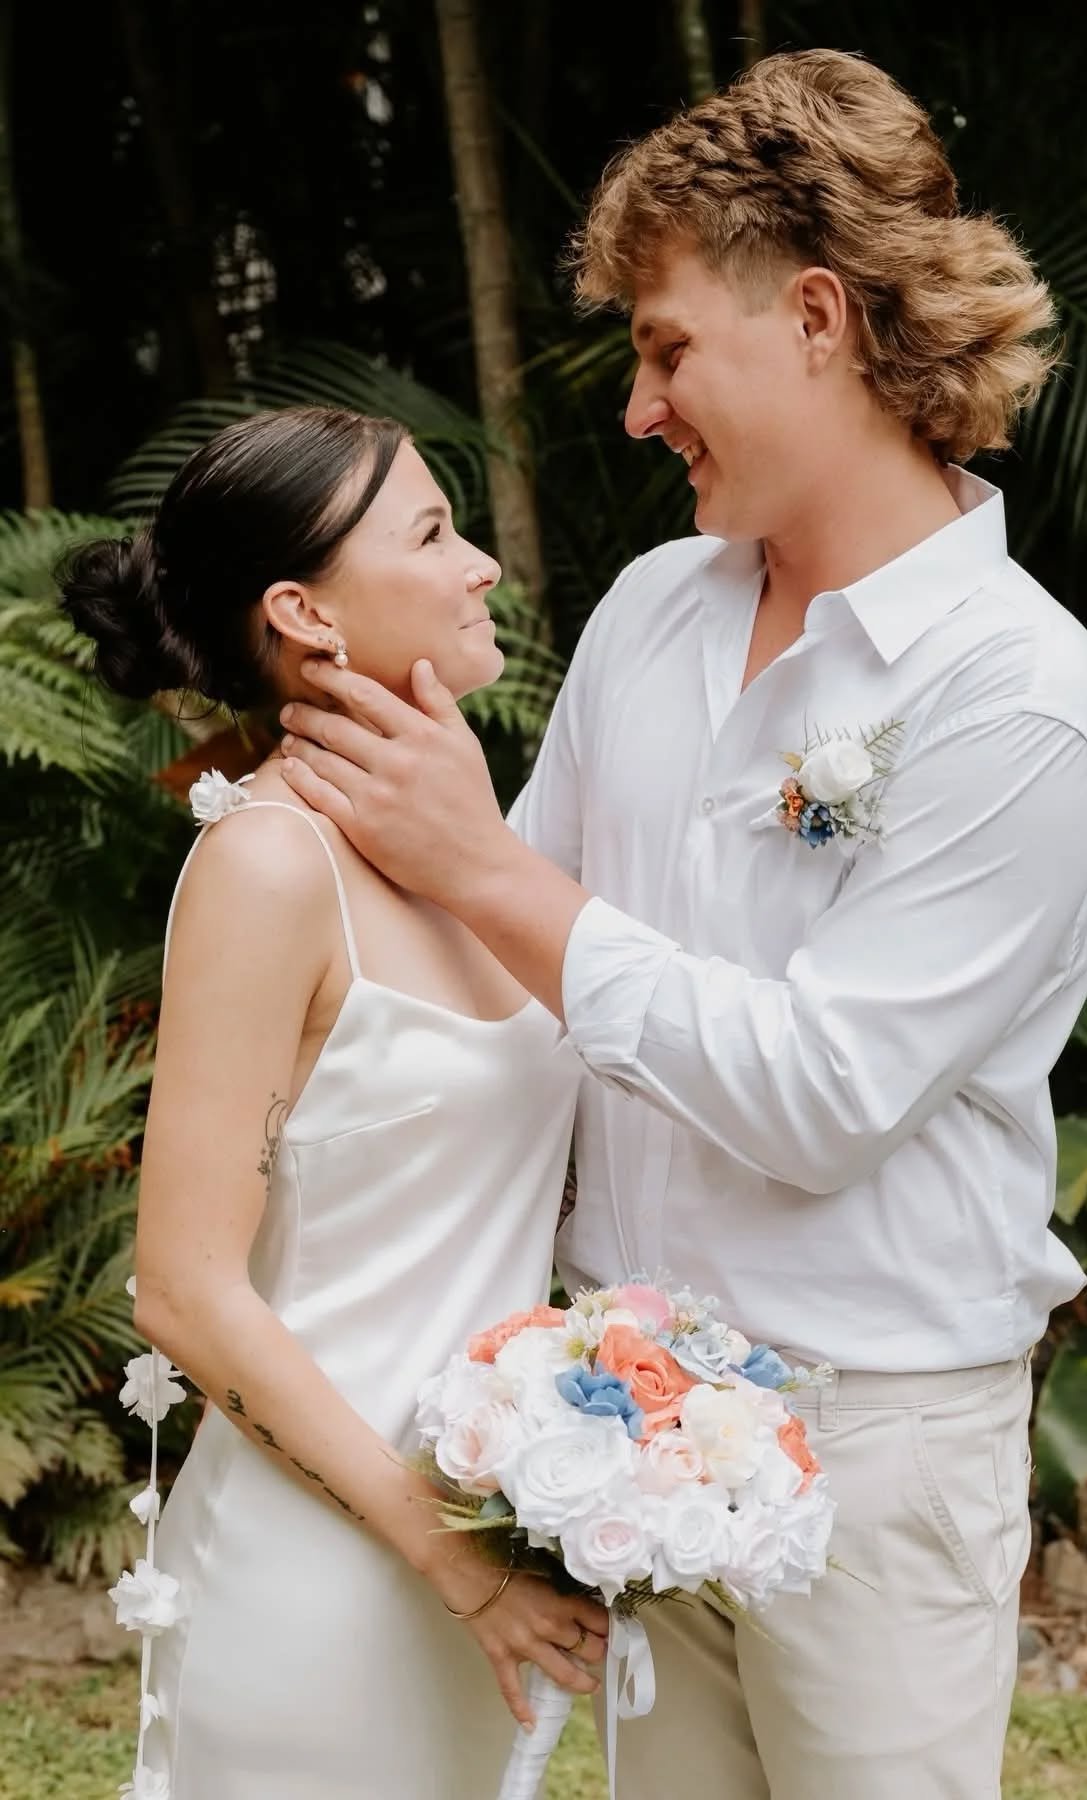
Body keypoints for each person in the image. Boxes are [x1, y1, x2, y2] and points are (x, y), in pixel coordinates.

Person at [278, 49, 1087, 1800]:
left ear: (817, 317)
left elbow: (821, 1096)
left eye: (667, 349)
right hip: (620, 1409)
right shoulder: (657, 610)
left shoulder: (1017, 695)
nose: (639, 407)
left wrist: (488, 873)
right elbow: (517, 985)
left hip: (877, 1444)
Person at [59, 406, 609, 1798]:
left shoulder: (479, 849)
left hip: (490, 1554)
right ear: (304, 613)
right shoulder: (268, 867)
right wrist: (444, 1550)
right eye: (432, 532)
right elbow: (182, 1289)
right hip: (329, 1574)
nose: (482, 565)